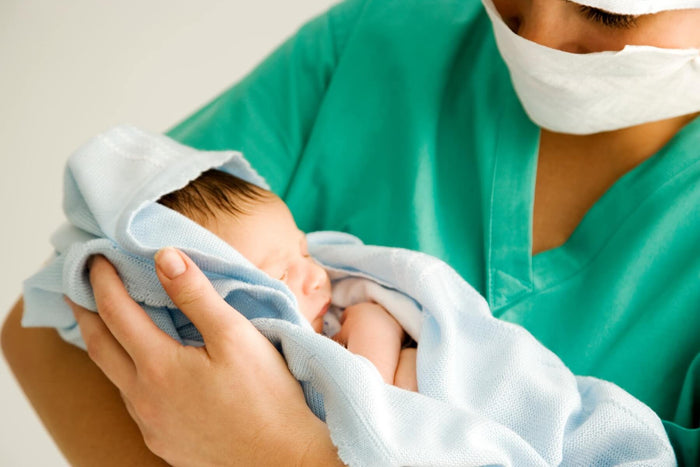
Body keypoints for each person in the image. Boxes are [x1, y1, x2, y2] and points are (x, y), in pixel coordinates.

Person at [2, 0, 699, 465]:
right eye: (516, 1)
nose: (536, 34)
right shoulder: (384, 37)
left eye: (606, 11)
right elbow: (49, 329)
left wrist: (278, 450)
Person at [157, 168, 418, 390]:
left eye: (305, 253)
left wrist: (369, 323)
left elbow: (371, 400)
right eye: (282, 275)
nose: (317, 275)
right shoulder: (242, 375)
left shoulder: (345, 317)